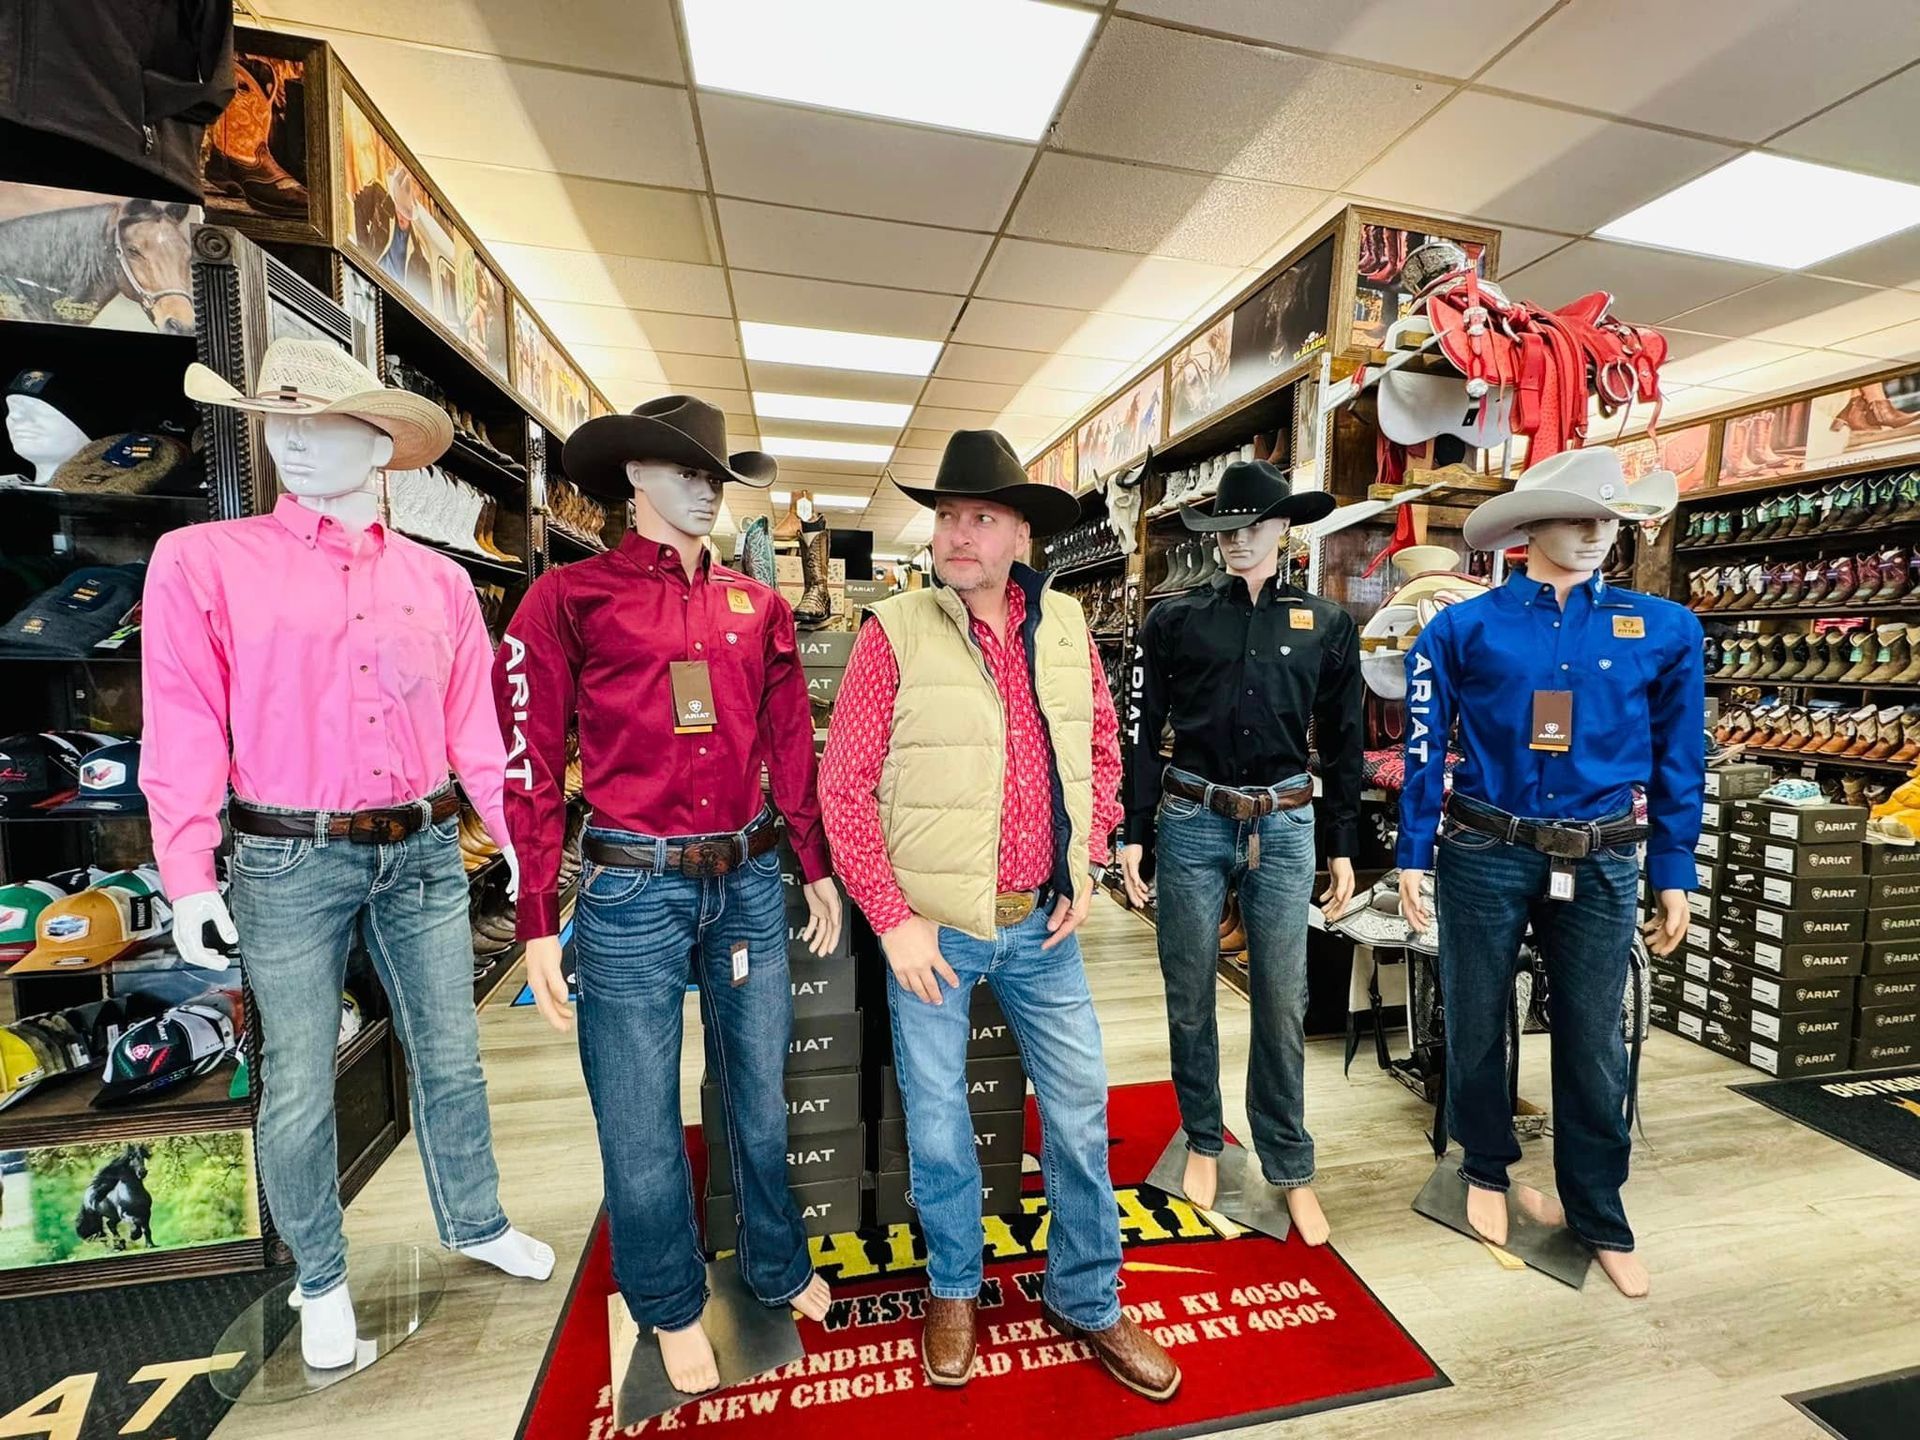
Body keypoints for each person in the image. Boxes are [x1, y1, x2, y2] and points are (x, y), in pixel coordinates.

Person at [819, 430, 1180, 1402]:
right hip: (934, 930)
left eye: (981, 517)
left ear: (1022, 533)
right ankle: (952, 1286)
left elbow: (1100, 747)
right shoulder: (894, 631)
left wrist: (1088, 860)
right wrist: (891, 919)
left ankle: (1087, 1295)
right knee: (940, 1124)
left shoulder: (1064, 625)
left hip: (1043, 925)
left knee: (1080, 1115)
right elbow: (842, 787)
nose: (957, 534)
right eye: (947, 516)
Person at [495, 395, 843, 1393]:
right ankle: (667, 1298)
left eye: (714, 474)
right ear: (634, 476)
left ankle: (775, 1260)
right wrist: (535, 916)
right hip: (631, 886)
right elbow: (529, 761)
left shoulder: (757, 605)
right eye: (684, 469)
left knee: (761, 1094)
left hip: (746, 877)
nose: (706, 489)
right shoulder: (567, 599)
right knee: (638, 1112)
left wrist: (813, 861)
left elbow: (789, 741)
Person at [1397, 446, 1698, 1299]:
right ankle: (1484, 1166)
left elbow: (1681, 757)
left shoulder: (1664, 628)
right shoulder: (1462, 628)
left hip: (1602, 855)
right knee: (1476, 1013)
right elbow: (1424, 746)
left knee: (1595, 1032)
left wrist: (1672, 868)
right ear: (1531, 525)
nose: (1597, 533)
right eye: (1578, 516)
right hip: (1485, 847)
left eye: (1609, 518)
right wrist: (1413, 849)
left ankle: (1599, 1208)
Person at [1119, 459, 1359, 1243]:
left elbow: (1346, 740)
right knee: (1189, 989)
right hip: (1193, 815)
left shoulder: (1326, 623)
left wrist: (1342, 843)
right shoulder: (1175, 620)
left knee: (1282, 999)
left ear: (1284, 528)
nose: (1238, 540)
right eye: (1226, 528)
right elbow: (1138, 730)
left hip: (1284, 824)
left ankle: (1289, 1163)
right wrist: (1134, 827)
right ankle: (1201, 1135)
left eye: (1254, 525)